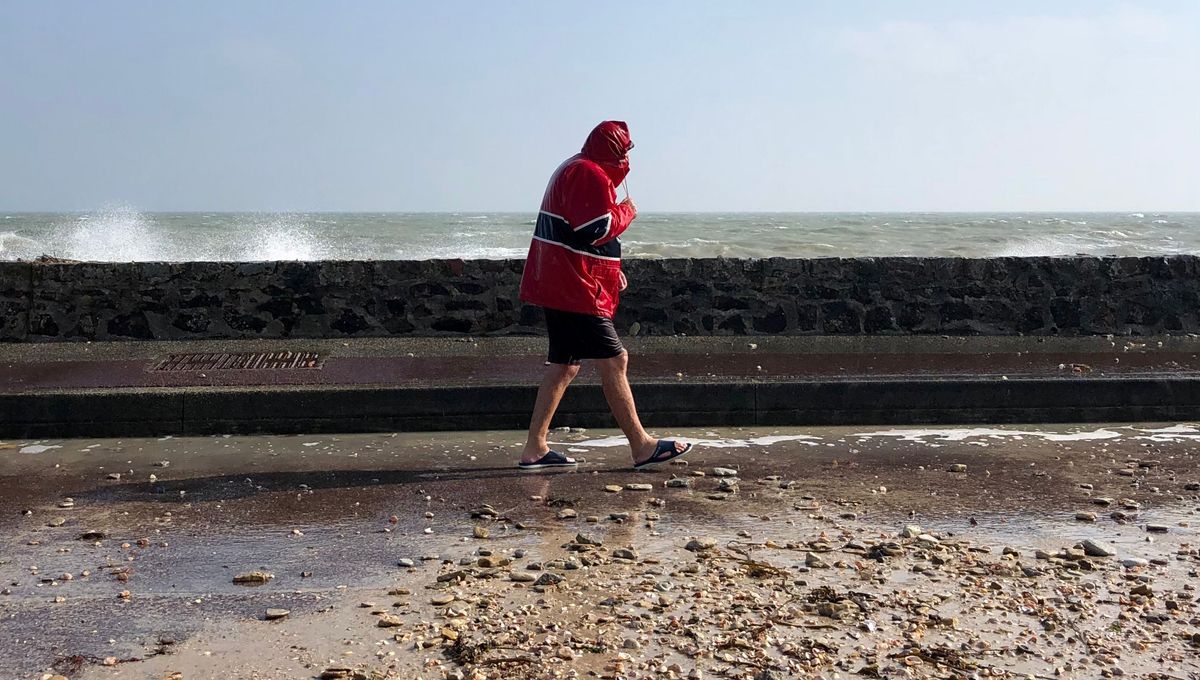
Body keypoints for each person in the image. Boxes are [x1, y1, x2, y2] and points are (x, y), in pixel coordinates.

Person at [517, 120, 693, 471]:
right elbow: (595, 228)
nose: (627, 156)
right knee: (615, 360)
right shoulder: (588, 173)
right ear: (614, 148)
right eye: (624, 149)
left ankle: (535, 449)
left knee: (564, 366)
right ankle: (642, 446)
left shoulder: (574, 167)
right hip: (574, 289)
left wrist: (611, 270)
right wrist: (627, 210)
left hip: (563, 282)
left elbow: (576, 234)